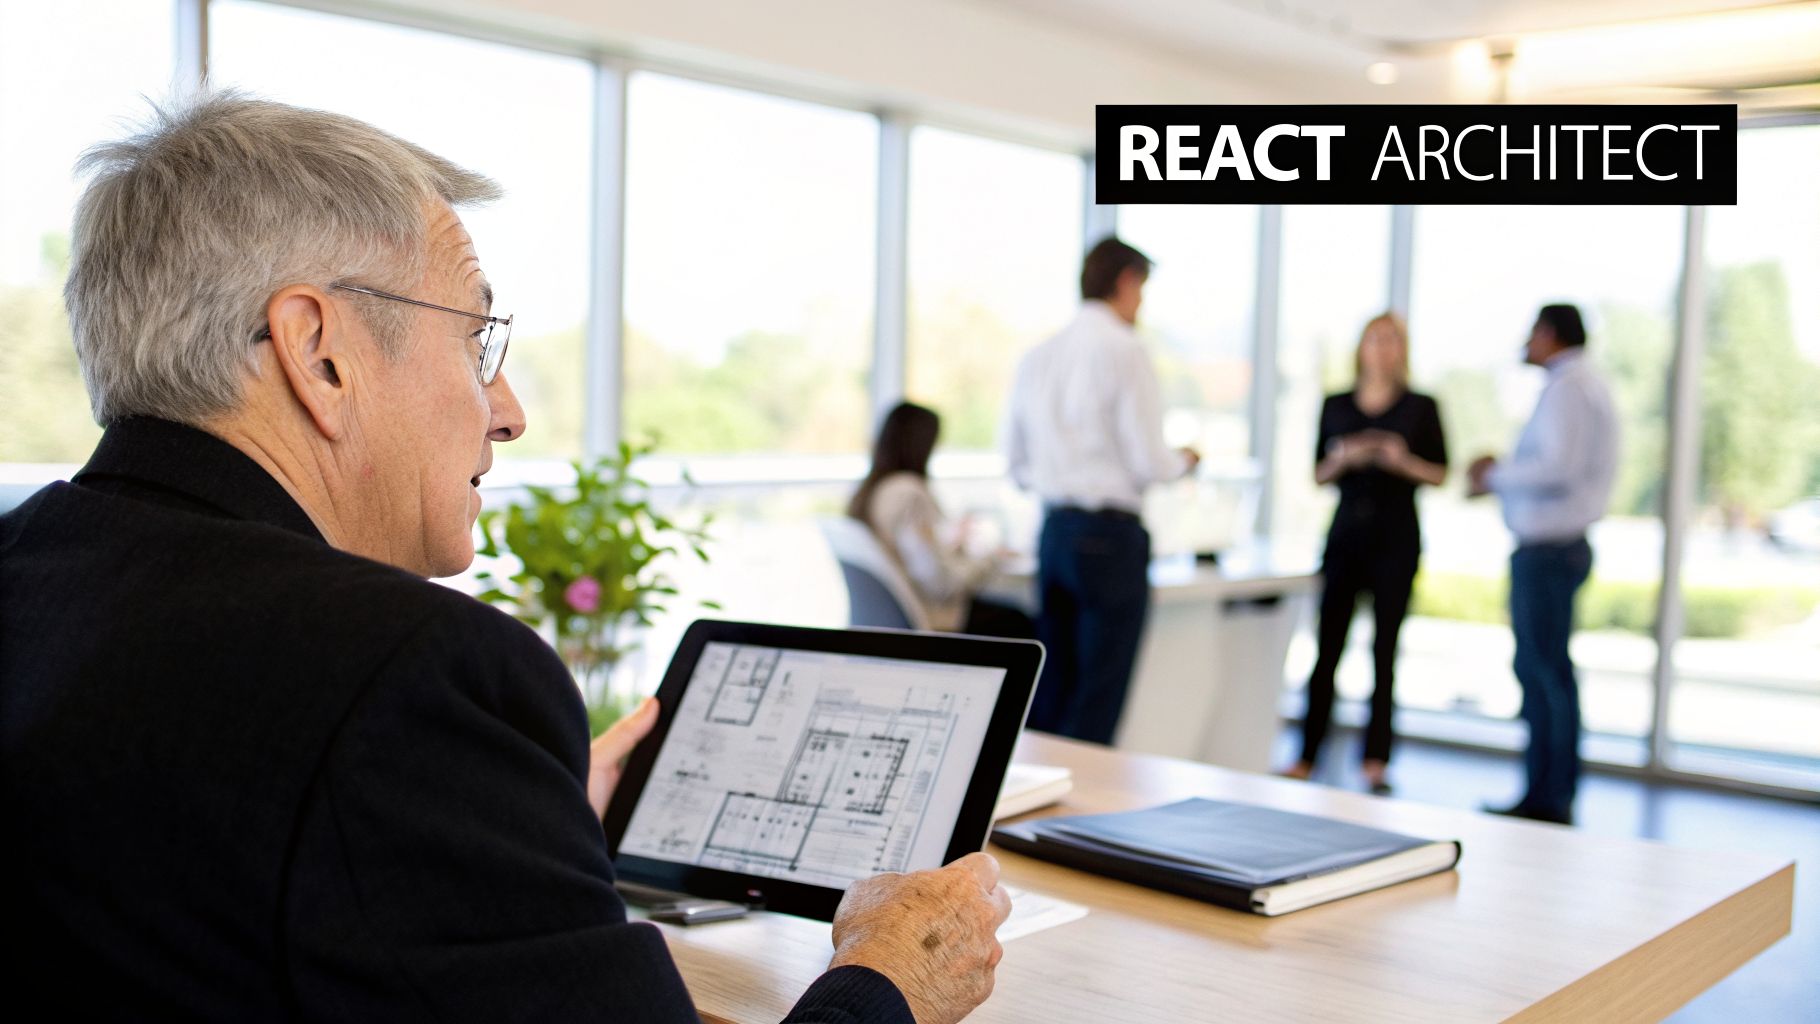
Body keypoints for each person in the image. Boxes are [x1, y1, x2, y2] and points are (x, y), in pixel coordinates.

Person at [0, 93, 1009, 1022]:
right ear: (318, 352)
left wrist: (500, 837)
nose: (510, 410)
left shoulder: (32, 574)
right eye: (477, 339)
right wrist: (888, 972)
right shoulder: (404, 678)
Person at [1004, 236, 1200, 745]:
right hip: (1109, 539)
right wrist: (1185, 462)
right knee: (1097, 698)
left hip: (1054, 531)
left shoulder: (1038, 355)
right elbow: (1148, 460)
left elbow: (1017, 465)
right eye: (1141, 291)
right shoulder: (1124, 349)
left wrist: (1062, 478)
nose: (1140, 305)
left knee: (1052, 693)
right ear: (1126, 282)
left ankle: (1034, 812)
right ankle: (1076, 819)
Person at [1280, 314, 1447, 794]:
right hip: (1346, 535)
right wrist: (1345, 458)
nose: (1382, 349)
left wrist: (1401, 460)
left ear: (1402, 349)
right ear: (1361, 347)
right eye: (1375, 339)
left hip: (1396, 538)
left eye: (1392, 340)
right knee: (1326, 648)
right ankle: (1307, 753)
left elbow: (1440, 472)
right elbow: (1317, 473)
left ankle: (1375, 759)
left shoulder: (1421, 407)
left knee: (1384, 652)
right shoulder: (1337, 404)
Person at [1468, 303, 1619, 826]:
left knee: (1543, 672)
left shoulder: (1568, 388)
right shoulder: (1580, 385)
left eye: (1532, 332)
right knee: (1549, 669)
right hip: (1558, 548)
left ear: (1550, 334)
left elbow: (1558, 466)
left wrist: (1495, 476)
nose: (1527, 342)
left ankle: (1546, 797)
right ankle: (1550, 790)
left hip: (1549, 551)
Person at [850, 402, 1035, 638]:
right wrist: (990, 558)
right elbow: (941, 584)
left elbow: (913, 553)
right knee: (1022, 621)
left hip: (887, 620)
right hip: (935, 619)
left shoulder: (873, 491)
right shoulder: (908, 493)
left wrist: (949, 544)